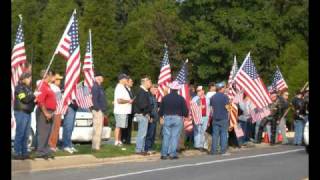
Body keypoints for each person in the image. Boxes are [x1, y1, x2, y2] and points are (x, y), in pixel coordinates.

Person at [159, 80, 189, 160]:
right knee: (175, 137)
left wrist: (161, 116)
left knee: (166, 136)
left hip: (167, 117)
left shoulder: (165, 98)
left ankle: (164, 154)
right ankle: (172, 154)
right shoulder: (181, 98)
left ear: (171, 89)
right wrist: (185, 115)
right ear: (177, 90)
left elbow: (161, 110)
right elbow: (185, 111)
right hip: (177, 118)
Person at [13, 72, 36, 160]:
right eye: (29, 78)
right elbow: (24, 99)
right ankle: (17, 152)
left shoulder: (28, 88)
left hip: (28, 112)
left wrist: (35, 99)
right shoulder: (19, 88)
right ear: (24, 78)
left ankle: (24, 152)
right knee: (20, 133)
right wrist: (33, 95)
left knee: (26, 134)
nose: (30, 80)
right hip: (21, 112)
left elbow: (31, 100)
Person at [35, 70, 56, 159]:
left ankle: (45, 150)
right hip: (44, 111)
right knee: (43, 132)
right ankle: (40, 151)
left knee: (48, 132)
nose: (52, 77)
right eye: (50, 75)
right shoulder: (42, 86)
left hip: (51, 111)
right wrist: (46, 113)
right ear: (46, 76)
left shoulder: (48, 86)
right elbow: (40, 101)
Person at [133, 76, 153, 155]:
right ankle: (138, 149)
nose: (150, 83)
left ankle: (141, 149)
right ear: (144, 82)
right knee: (142, 133)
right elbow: (142, 105)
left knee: (143, 133)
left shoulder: (144, 91)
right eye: (149, 82)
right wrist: (147, 112)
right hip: (142, 114)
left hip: (144, 114)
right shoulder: (141, 91)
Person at [210, 81, 230, 155]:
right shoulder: (225, 97)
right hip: (223, 118)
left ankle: (214, 151)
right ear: (221, 88)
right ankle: (223, 151)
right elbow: (228, 108)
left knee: (215, 135)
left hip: (215, 118)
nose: (225, 89)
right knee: (223, 134)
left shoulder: (213, 97)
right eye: (224, 87)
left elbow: (211, 107)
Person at [113, 73, 133, 146]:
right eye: (125, 78)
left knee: (120, 126)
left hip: (123, 110)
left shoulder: (122, 87)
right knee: (118, 126)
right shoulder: (119, 87)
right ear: (121, 79)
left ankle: (119, 140)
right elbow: (119, 100)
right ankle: (116, 141)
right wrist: (129, 101)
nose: (126, 80)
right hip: (120, 110)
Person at [91, 72, 107, 151]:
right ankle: (96, 146)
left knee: (99, 128)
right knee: (97, 128)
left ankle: (97, 144)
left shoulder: (99, 87)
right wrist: (98, 109)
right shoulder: (95, 87)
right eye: (101, 77)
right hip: (98, 110)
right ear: (97, 78)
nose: (103, 78)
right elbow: (94, 99)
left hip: (101, 110)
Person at [192, 86, 210, 152]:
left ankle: (203, 145)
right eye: (198, 91)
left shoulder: (207, 98)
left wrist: (208, 119)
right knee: (197, 131)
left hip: (205, 116)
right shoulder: (195, 99)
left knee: (203, 131)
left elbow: (209, 108)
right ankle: (197, 145)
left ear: (203, 91)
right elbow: (193, 108)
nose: (199, 92)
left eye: (200, 90)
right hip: (198, 117)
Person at [48, 73, 63, 152]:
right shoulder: (54, 88)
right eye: (58, 80)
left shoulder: (55, 87)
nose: (60, 81)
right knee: (54, 129)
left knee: (55, 129)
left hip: (57, 110)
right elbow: (57, 100)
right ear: (55, 80)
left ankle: (53, 144)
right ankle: (52, 145)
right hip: (56, 111)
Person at [145, 84, 160, 154]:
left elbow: (156, 105)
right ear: (150, 89)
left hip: (155, 118)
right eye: (154, 89)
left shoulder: (153, 96)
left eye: (156, 89)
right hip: (151, 117)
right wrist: (150, 116)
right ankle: (147, 148)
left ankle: (151, 147)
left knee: (153, 134)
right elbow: (149, 107)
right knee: (150, 134)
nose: (156, 90)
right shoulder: (149, 96)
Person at [121, 77, 135, 144]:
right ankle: (123, 139)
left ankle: (128, 140)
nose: (132, 83)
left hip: (131, 110)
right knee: (124, 126)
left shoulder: (131, 90)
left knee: (129, 126)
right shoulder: (124, 89)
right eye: (131, 81)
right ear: (127, 82)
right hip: (125, 110)